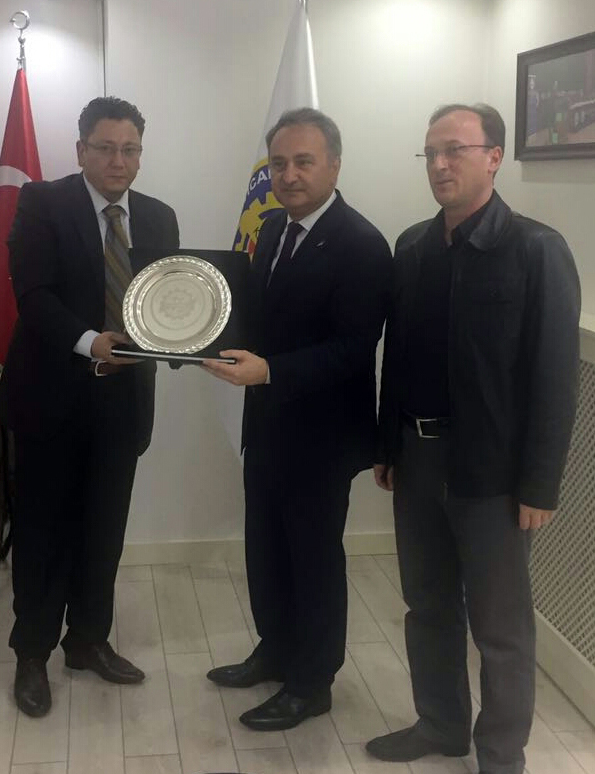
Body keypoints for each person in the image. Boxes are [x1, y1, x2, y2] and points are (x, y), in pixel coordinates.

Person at [367, 103, 580, 774]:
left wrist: (540, 483)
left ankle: (500, 755)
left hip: (492, 473)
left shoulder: (536, 249)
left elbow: (553, 378)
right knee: (426, 605)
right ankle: (440, 725)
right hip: (417, 457)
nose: (439, 164)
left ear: (493, 157)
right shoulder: (412, 247)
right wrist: (389, 447)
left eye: (454, 150)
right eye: (430, 152)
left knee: (500, 627)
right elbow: (397, 358)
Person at [202, 108, 392, 731]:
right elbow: (261, 320)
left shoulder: (362, 244)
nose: (289, 175)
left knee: (313, 558)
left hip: (322, 438)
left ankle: (312, 683)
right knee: (266, 548)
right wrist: (201, 340)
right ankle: (276, 650)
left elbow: (355, 348)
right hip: (267, 426)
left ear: (334, 164)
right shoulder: (271, 230)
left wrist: (270, 372)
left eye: (303, 161)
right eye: (279, 163)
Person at [0, 96, 180, 717]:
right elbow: (33, 295)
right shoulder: (42, 203)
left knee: (104, 529)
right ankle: (31, 652)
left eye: (130, 150)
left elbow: (168, 302)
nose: (118, 161)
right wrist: (89, 341)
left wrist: (185, 341)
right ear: (81, 150)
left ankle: (87, 641)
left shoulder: (158, 217)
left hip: (122, 404)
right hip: (50, 400)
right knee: (42, 532)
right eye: (105, 148)